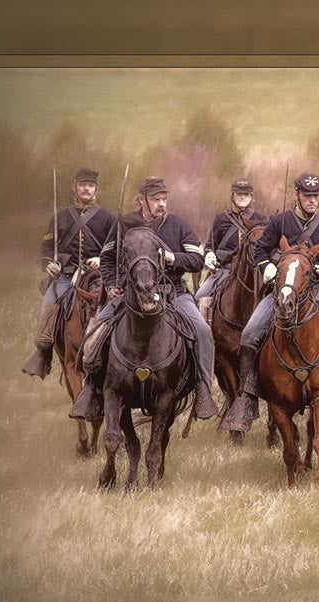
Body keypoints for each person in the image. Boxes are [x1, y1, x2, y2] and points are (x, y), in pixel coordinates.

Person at [221, 172, 319, 432]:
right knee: (249, 333)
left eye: (316, 196)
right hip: (281, 291)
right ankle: (247, 397)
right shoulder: (279, 221)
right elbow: (260, 250)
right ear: (297, 195)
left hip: (317, 290)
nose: (312, 200)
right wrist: (268, 269)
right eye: (307, 196)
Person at [71, 177, 219, 420]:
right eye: (155, 199)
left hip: (173, 292)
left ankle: (203, 389)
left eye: (164, 198)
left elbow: (197, 260)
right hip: (132, 294)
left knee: (202, 330)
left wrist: (172, 258)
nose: (161, 204)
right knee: (96, 329)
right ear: (142, 200)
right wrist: (110, 284)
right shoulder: (124, 225)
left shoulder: (178, 225)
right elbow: (107, 259)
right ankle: (92, 388)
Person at [21, 167, 116, 379]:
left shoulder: (108, 219)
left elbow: (115, 249)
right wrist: (49, 264)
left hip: (97, 275)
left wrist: (101, 259)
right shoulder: (60, 218)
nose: (86, 189)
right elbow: (46, 249)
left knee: (112, 304)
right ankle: (43, 352)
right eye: (82, 185)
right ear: (74, 187)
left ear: (96, 190)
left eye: (90, 185)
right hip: (66, 274)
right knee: (50, 302)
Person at [195, 177, 266, 318]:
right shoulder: (221, 219)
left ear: (252, 197)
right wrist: (209, 255)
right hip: (225, 270)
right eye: (239, 193)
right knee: (200, 296)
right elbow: (210, 246)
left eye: (246, 194)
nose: (242, 197)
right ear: (232, 195)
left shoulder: (262, 220)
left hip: (252, 272)